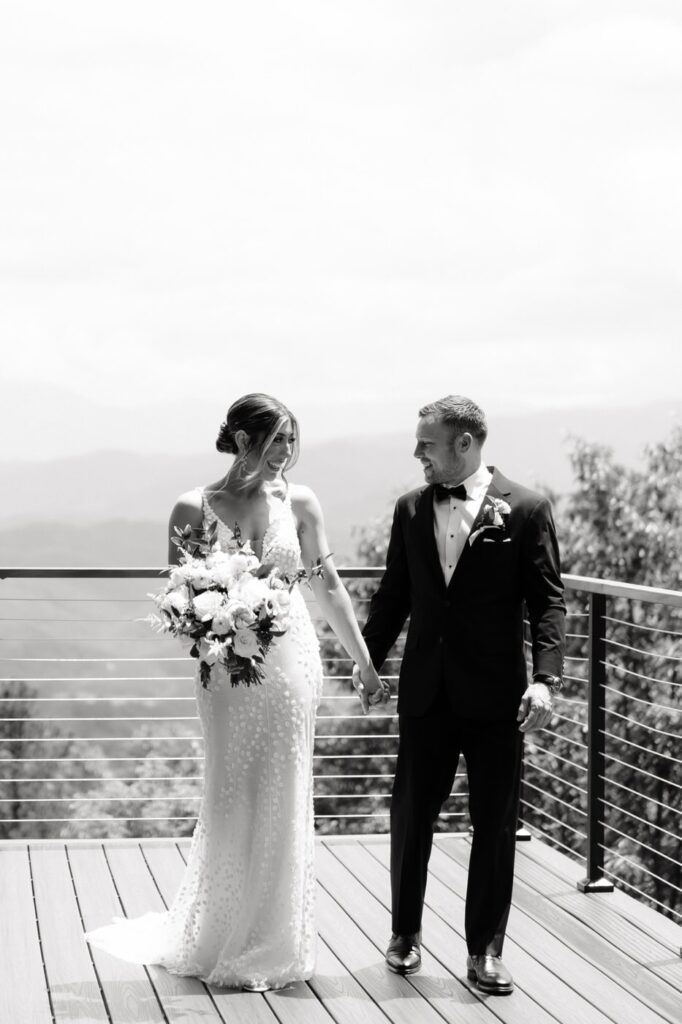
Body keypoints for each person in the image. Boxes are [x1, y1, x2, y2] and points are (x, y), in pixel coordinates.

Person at [85, 392, 387, 991]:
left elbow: (327, 585)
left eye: (291, 440)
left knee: (284, 788)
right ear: (244, 440)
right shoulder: (191, 507)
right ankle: (221, 928)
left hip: (292, 662)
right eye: (276, 440)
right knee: (231, 789)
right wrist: (216, 625)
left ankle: (272, 938)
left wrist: (366, 662)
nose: (286, 452)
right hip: (224, 670)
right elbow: (178, 598)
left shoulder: (300, 502)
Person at [353, 395, 566, 995]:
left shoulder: (526, 509)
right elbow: (394, 594)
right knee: (410, 815)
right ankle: (404, 933)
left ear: (464, 444)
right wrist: (368, 663)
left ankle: (485, 952)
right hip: (426, 691)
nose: (417, 453)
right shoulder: (410, 508)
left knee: (494, 824)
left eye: (427, 443)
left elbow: (548, 602)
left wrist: (545, 679)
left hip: (498, 696)